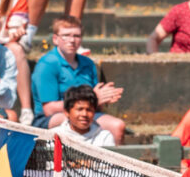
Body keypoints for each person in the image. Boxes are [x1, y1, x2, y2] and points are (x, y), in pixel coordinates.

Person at [30, 15, 125, 143]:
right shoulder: (47, 64)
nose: (72, 40)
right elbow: (49, 109)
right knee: (77, 119)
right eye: (66, 35)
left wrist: (101, 100)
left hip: (83, 113)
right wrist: (92, 99)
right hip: (50, 118)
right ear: (55, 39)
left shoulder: (88, 64)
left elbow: (95, 107)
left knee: (117, 126)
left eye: (76, 36)